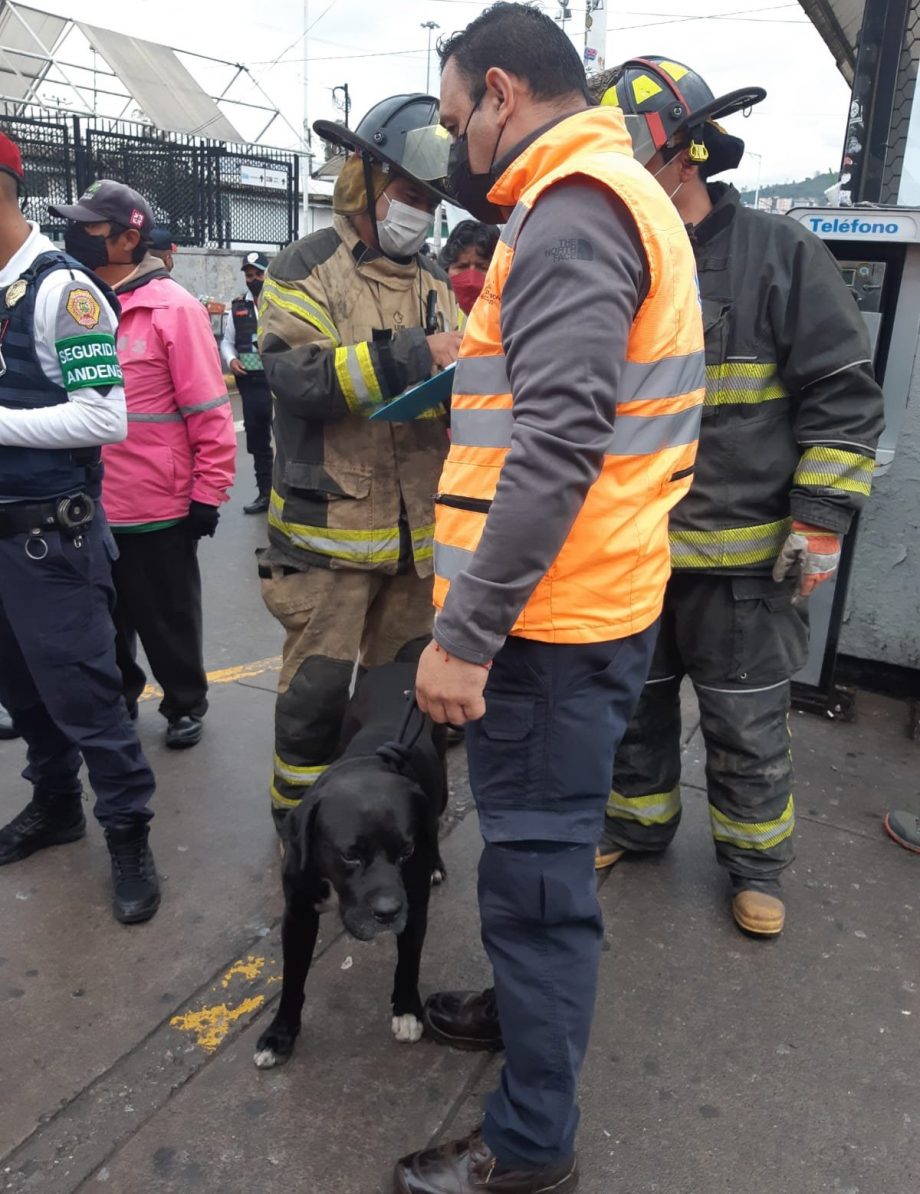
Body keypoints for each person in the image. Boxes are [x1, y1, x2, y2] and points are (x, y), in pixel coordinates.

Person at [397, 6, 705, 1190]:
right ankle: (522, 1028)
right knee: (535, 862)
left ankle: (528, 1148)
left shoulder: (573, 216)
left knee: (532, 879)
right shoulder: (605, 199)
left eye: (450, 114)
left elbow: (560, 442)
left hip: (547, 623)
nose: (451, 140)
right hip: (585, 601)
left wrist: (464, 638)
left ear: (499, 91)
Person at [588, 57, 886, 938]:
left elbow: (843, 395)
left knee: (747, 722)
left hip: (743, 565)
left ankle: (756, 866)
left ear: (682, 152)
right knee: (631, 707)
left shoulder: (777, 253)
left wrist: (821, 522)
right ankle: (636, 824)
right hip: (631, 554)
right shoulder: (614, 261)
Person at [257, 95, 460, 830]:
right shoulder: (307, 267)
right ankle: (303, 827)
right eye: (410, 195)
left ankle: (390, 820)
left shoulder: (436, 279)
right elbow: (297, 377)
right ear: (364, 182)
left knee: (402, 698)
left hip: (415, 542)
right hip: (329, 538)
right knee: (313, 695)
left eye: (431, 201)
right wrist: (416, 356)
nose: (422, 214)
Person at [0, 134, 160, 923]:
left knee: (90, 698)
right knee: (24, 697)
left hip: (48, 543)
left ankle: (127, 829)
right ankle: (55, 807)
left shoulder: (65, 293)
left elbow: (106, 415)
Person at [50, 181, 237, 751]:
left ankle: (184, 702)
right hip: (88, 500)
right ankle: (121, 695)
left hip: (158, 503)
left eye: (91, 229)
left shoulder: (171, 308)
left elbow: (208, 409)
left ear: (130, 239)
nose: (76, 236)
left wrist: (209, 492)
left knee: (166, 615)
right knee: (103, 619)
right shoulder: (75, 304)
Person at [221, 251, 274, 515]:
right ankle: (266, 493)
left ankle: (288, 495)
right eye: (249, 275)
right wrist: (231, 360)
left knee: (287, 440)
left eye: (258, 274)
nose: (253, 279)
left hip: (278, 384)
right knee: (258, 441)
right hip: (251, 383)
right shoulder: (237, 308)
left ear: (267, 273)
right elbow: (227, 341)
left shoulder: (280, 302)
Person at [439, 218, 499, 316]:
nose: (471, 281)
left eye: (482, 267)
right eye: (462, 266)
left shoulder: (512, 318)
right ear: (446, 269)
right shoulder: (429, 309)